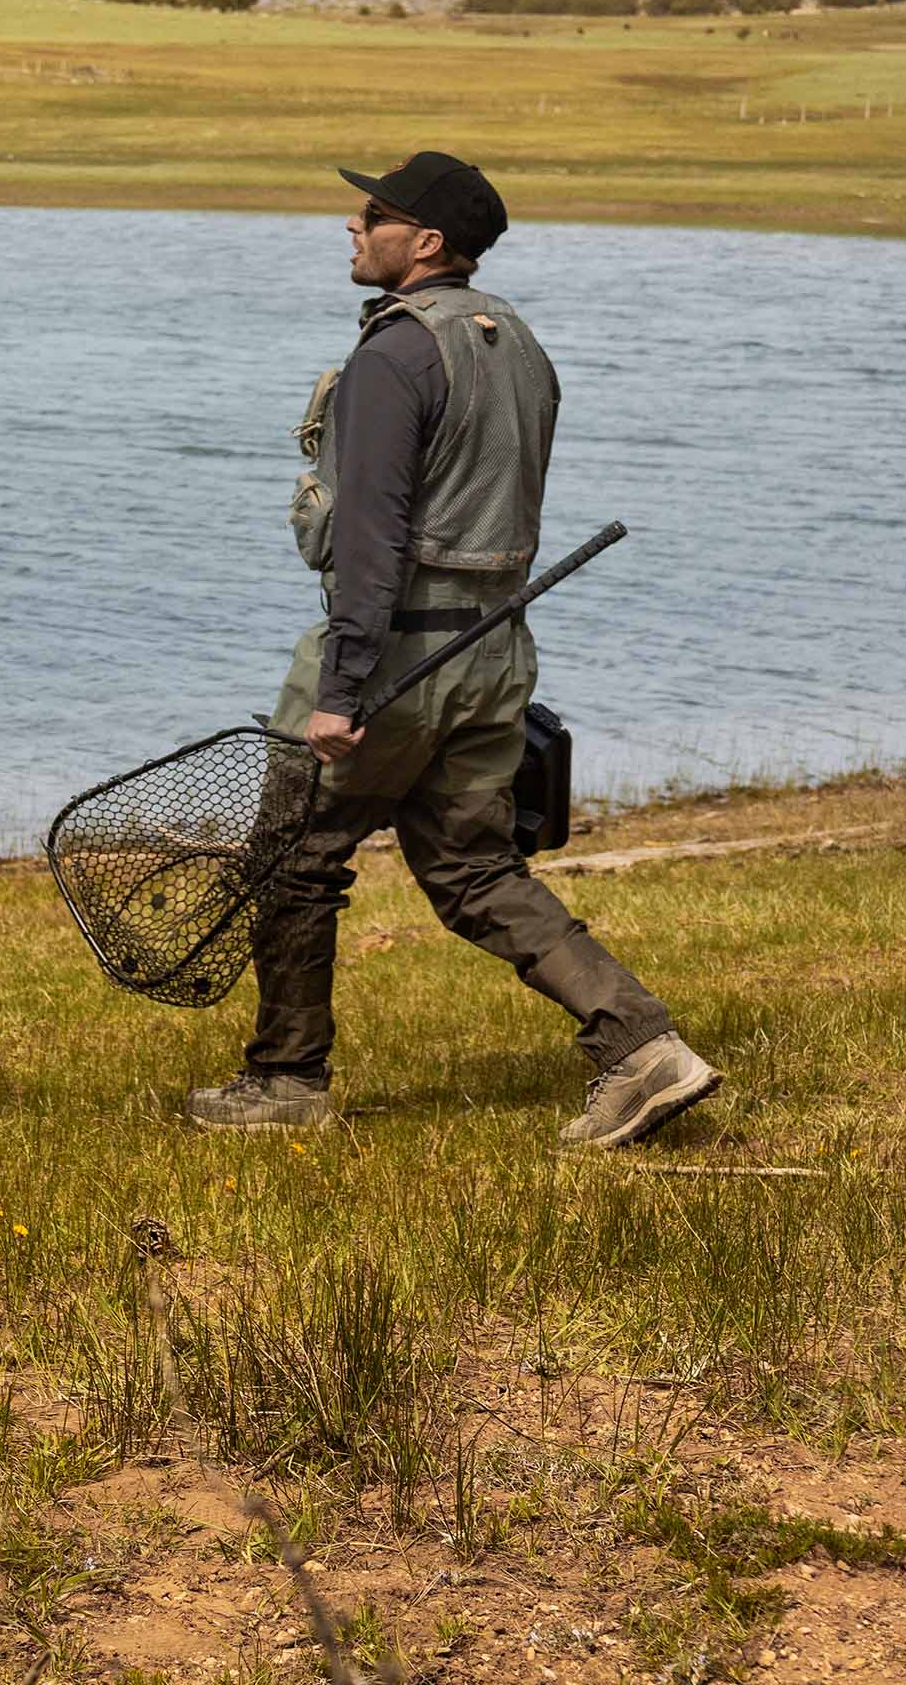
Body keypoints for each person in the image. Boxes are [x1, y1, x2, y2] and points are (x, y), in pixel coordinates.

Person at [188, 153, 718, 1147]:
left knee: (292, 860)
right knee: (474, 870)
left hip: (393, 661)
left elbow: (370, 539)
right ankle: (647, 1049)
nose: (352, 227)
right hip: (493, 652)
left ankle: (284, 1085)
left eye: (372, 214)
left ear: (423, 244)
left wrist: (341, 690)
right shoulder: (517, 340)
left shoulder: (394, 355)